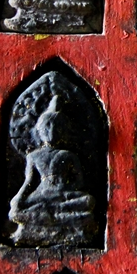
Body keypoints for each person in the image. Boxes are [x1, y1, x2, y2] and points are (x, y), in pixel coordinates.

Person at [9, 95, 96, 246]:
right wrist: (18, 199)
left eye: (58, 127)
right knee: (15, 211)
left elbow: (78, 182)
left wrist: (65, 189)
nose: (52, 132)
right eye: (47, 127)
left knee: (88, 201)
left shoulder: (69, 156)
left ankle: (50, 219)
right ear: (39, 131)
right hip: (41, 195)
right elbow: (29, 182)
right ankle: (53, 220)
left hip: (63, 196)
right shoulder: (33, 156)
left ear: (65, 131)